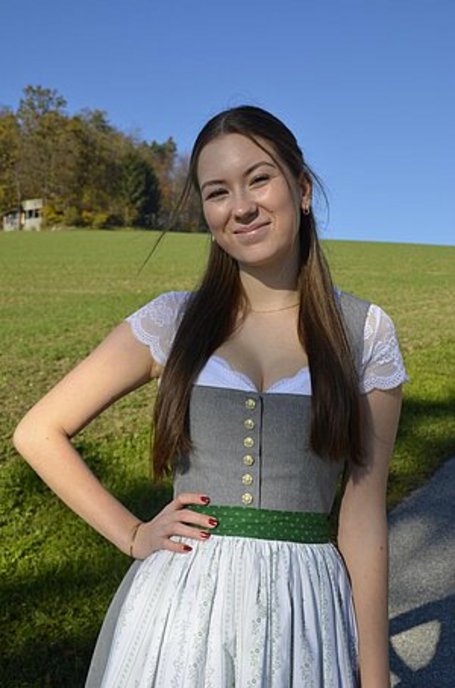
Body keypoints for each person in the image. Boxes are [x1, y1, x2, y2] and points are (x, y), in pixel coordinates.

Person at [13, 105, 407, 687]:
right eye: (217, 192)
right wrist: (132, 534)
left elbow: (364, 520)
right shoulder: (173, 321)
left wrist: (374, 678)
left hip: (304, 613)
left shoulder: (364, 333)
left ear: (301, 189)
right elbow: (38, 432)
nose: (240, 206)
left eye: (259, 179)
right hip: (180, 614)